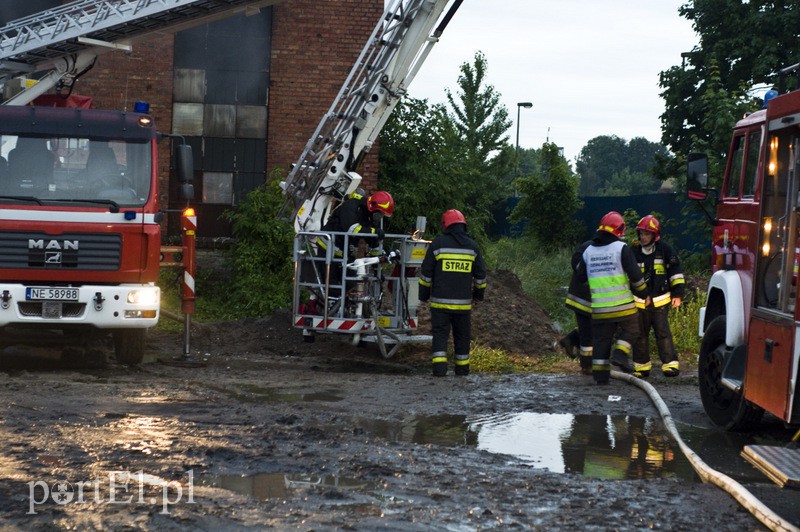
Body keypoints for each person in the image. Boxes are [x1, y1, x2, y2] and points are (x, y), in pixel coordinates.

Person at [577, 211, 649, 384]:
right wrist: (644, 293)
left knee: (601, 341)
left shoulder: (588, 252)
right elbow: (636, 277)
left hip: (600, 309)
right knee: (632, 329)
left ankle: (600, 378)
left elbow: (580, 277)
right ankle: (620, 353)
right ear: (619, 230)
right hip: (623, 306)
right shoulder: (621, 248)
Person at [418, 209, 486, 377]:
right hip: (463, 305)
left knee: (440, 336)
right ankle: (462, 370)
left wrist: (423, 296)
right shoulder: (473, 247)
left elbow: (426, 274)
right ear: (463, 225)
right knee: (462, 337)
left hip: (440, 305)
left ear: (446, 225)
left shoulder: (437, 245)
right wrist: (478, 296)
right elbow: (480, 276)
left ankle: (440, 371)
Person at [631, 215, 685, 377]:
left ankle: (670, 365)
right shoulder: (632, 251)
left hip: (660, 300)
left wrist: (678, 294)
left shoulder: (665, 250)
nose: (643, 237)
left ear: (655, 235)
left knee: (662, 333)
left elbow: (675, 273)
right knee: (640, 334)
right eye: (641, 233)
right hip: (639, 301)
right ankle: (641, 367)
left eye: (647, 234)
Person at [560, 239, 593, 374]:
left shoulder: (588, 246)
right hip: (585, 298)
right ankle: (587, 366)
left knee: (591, 330)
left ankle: (571, 339)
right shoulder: (595, 249)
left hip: (583, 297)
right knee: (589, 333)